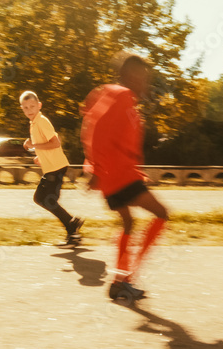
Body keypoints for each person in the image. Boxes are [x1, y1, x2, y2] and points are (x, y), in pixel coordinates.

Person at [81, 53, 169, 300]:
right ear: (130, 75)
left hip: (117, 175)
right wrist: (96, 169)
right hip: (117, 176)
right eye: (143, 77)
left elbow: (104, 131)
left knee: (129, 223)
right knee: (162, 214)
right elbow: (94, 127)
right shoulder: (119, 95)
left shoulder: (124, 100)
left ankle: (120, 281)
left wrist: (100, 170)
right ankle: (127, 277)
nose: (146, 83)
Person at [20, 91, 84, 247]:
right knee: (40, 198)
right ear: (22, 108)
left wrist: (34, 146)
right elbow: (48, 144)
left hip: (57, 167)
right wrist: (39, 157)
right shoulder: (34, 122)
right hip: (52, 168)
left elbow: (56, 143)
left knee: (47, 200)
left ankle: (73, 230)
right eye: (25, 107)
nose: (29, 110)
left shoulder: (41, 121)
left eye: (32, 106)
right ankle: (72, 223)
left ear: (39, 105)